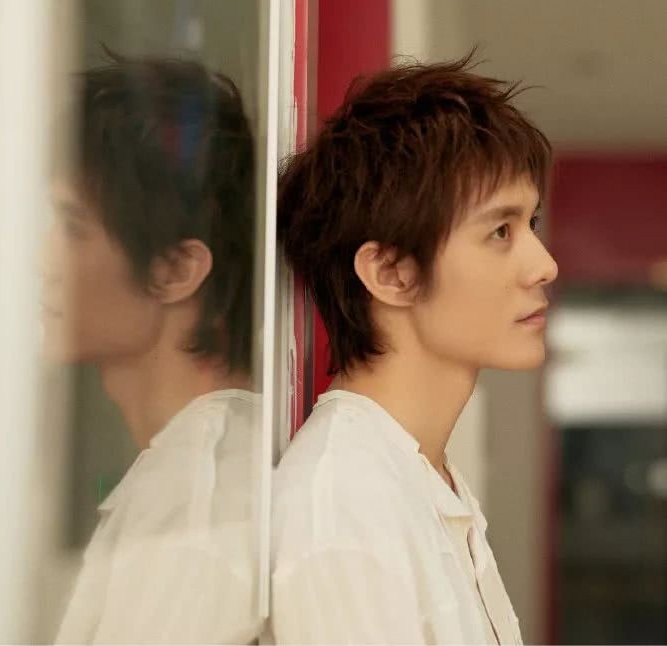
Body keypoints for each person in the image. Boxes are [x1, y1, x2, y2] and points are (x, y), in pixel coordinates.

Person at [272, 52, 558, 644]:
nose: (544, 265)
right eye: (500, 231)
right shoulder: (343, 508)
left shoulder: (416, 473)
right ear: (391, 273)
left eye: (531, 224)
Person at [44, 52, 263, 644]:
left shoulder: (198, 508)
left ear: (175, 269)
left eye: (70, 226)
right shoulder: (192, 473)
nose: (37, 258)